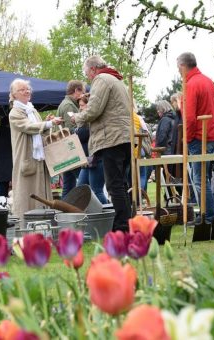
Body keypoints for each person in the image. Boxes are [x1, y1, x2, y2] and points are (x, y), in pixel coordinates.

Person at [72, 55, 131, 232]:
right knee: (121, 184)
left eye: (87, 73)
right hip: (124, 137)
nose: (88, 77)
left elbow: (94, 109)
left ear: (92, 69)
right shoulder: (116, 80)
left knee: (114, 186)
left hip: (111, 139)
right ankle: (127, 222)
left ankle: (121, 227)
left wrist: (77, 118)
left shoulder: (101, 80)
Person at [177, 52, 214, 223]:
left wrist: (187, 139)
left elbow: (189, 117)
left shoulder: (190, 85)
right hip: (211, 136)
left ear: (182, 66)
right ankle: (207, 214)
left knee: (199, 179)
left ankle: (208, 216)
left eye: (178, 67)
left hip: (198, 137)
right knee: (205, 178)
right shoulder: (208, 81)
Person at [8, 79, 63, 224]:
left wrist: (47, 123)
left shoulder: (32, 110)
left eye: (28, 89)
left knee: (42, 193)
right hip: (27, 160)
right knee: (26, 196)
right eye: (22, 90)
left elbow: (39, 131)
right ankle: (25, 226)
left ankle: (44, 224)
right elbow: (29, 127)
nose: (27, 91)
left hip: (39, 159)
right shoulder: (15, 113)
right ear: (14, 94)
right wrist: (48, 123)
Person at [76, 94, 108, 204]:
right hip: (87, 160)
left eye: (82, 105)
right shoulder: (85, 121)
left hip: (96, 158)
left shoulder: (93, 121)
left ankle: (109, 213)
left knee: (96, 190)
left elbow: (82, 135)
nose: (80, 108)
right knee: (80, 188)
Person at [57, 80, 85, 199]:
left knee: (68, 185)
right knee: (84, 181)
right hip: (72, 150)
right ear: (76, 91)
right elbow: (71, 129)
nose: (83, 94)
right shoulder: (69, 105)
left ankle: (65, 210)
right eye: (82, 91)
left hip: (66, 150)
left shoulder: (66, 103)